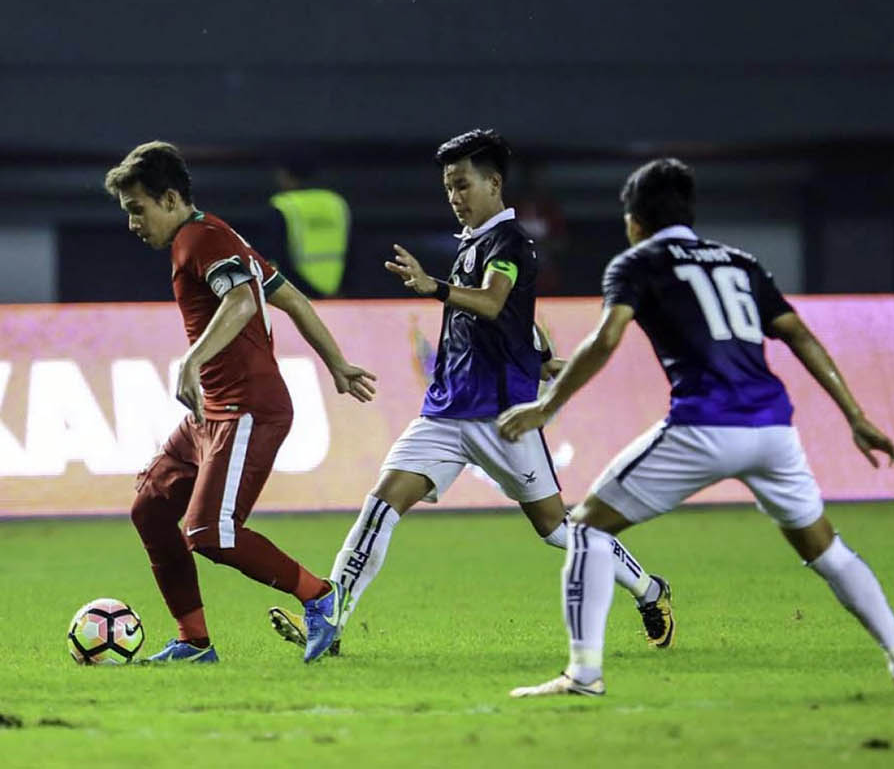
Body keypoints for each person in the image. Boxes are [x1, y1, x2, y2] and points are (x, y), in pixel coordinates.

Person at [499, 158, 894, 697]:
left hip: (702, 427)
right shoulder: (741, 262)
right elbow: (800, 336)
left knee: (585, 528)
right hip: (773, 430)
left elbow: (605, 341)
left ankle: (583, 673)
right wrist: (855, 416)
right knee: (826, 550)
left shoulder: (637, 263)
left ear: (634, 219)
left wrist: (545, 405)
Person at [273, 130, 673, 659]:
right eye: (447, 188)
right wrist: (538, 354)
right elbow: (515, 321)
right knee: (380, 506)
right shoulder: (472, 242)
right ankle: (332, 617)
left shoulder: (509, 243)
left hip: (502, 419)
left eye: (462, 185)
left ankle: (649, 589)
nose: (455, 196)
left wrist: (433, 287)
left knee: (557, 529)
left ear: (493, 183)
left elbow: (492, 303)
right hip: (444, 413)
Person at [104, 141, 378, 663]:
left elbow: (243, 299)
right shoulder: (216, 236)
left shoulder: (198, 238)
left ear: (168, 198)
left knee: (210, 533)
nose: (133, 224)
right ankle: (193, 642)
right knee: (151, 508)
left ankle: (322, 598)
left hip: (248, 408)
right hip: (212, 412)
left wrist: (191, 361)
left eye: (137, 210)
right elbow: (290, 297)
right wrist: (337, 364)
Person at [268, 158, 351, 298]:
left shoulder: (283, 205)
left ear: (286, 176)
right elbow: (353, 250)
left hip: (298, 297)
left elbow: (279, 257)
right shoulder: (335, 202)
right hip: (336, 296)